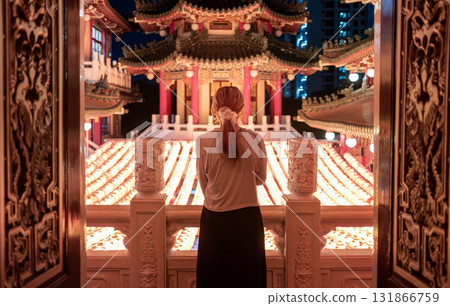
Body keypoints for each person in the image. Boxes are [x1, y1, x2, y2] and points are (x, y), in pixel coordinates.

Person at [195, 86, 267, 288]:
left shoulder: (203, 141)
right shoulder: (255, 139)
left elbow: (204, 184)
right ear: (243, 109)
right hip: (247, 220)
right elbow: (261, 179)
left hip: (214, 219)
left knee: (215, 281)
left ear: (214, 109)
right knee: (247, 281)